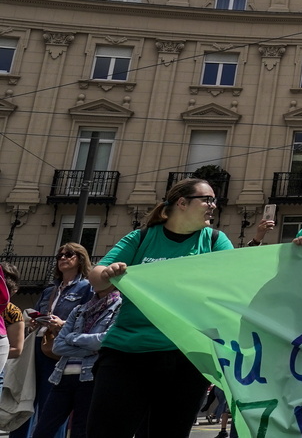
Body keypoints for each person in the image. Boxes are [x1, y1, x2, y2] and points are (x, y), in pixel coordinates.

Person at [85, 177, 231, 438]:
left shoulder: (215, 241)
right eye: (207, 199)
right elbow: (96, 278)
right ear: (182, 203)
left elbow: (234, 284)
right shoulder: (141, 238)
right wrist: (108, 272)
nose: (213, 206)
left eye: (214, 200)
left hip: (187, 359)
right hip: (127, 354)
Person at [15, 242, 94, 438]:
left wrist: (63, 323)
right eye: (59, 256)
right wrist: (34, 321)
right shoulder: (50, 290)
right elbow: (35, 313)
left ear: (80, 259)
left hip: (59, 350)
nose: (63, 258)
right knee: (25, 398)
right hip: (37, 346)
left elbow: (89, 320)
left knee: (52, 403)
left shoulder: (86, 288)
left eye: (69, 254)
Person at [29, 280, 122, 438]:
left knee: (81, 431)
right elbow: (58, 347)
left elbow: (104, 341)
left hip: (91, 378)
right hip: (63, 376)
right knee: (43, 429)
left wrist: (72, 338)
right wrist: (87, 345)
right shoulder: (79, 310)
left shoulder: (119, 308)